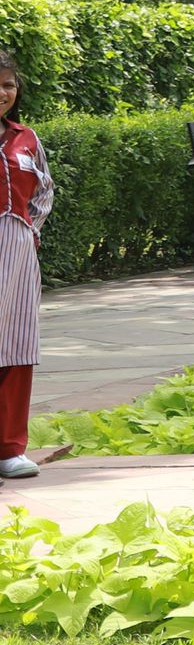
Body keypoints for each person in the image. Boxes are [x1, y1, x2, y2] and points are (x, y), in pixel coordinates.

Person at [0, 49, 49, 482]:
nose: (3, 92)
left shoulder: (26, 137)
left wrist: (28, 231)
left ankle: (11, 448)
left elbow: (43, 192)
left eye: (8, 84)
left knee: (16, 345)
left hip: (16, 248)